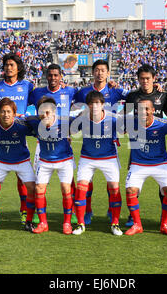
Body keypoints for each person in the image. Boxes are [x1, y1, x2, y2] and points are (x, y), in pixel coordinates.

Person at [73, 59, 128, 225]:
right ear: (93, 72)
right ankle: (87, 211)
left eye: (103, 70)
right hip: (89, 141)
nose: (99, 73)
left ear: (108, 73)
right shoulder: (83, 92)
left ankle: (112, 211)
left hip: (109, 142)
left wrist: (124, 116)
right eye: (97, 70)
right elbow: (73, 108)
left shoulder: (114, 91)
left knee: (111, 182)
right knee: (86, 183)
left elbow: (134, 97)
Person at [0, 53, 34, 224]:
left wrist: (27, 116)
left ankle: (24, 211)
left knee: (22, 177)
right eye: (6, 64)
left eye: (12, 64)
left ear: (18, 67)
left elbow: (38, 102)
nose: (8, 67)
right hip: (0, 135)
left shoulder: (27, 86)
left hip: (19, 133)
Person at [122, 64, 167, 227]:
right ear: (138, 79)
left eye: (148, 78)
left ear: (153, 79)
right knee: (135, 182)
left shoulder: (163, 96)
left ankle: (166, 218)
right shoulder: (132, 96)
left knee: (163, 184)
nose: (145, 81)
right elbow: (125, 116)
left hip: (157, 141)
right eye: (142, 78)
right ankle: (132, 217)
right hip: (138, 142)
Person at [71, 90, 123, 236]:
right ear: (87, 106)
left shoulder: (113, 118)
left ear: (102, 105)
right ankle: (80, 223)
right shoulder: (83, 118)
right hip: (87, 158)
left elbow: (126, 129)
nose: (94, 106)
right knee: (81, 187)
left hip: (109, 158)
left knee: (114, 188)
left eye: (97, 103)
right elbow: (71, 130)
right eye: (91, 104)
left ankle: (115, 223)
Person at [124, 100, 167, 236]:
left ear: (153, 110)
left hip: (160, 164)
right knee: (130, 190)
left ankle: (165, 225)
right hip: (138, 164)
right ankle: (137, 225)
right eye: (141, 109)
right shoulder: (130, 123)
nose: (144, 112)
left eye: (147, 109)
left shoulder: (163, 124)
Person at [0, 98, 36, 233]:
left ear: (14, 113)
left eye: (8, 112)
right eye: (2, 112)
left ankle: (28, 221)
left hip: (22, 161)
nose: (6, 115)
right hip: (1, 161)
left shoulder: (21, 125)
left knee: (31, 187)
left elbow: (38, 130)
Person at [26, 96, 75, 234]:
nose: (45, 115)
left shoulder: (66, 122)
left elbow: (87, 119)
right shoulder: (33, 121)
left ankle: (67, 223)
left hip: (64, 161)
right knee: (39, 189)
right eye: (42, 112)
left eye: (48, 112)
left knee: (66, 188)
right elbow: (16, 120)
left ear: (54, 111)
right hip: (45, 161)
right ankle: (43, 223)